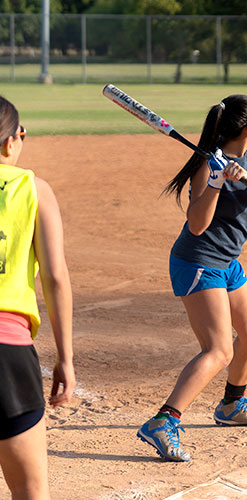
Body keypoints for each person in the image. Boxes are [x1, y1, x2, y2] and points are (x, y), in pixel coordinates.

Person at [137, 94, 247, 462]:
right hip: (198, 261)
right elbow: (197, 225)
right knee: (219, 350)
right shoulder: (208, 164)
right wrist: (217, 182)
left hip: (226, 262)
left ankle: (232, 405)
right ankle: (163, 421)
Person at [0, 95, 76, 499]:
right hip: (8, 354)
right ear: (11, 142)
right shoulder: (33, 189)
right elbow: (56, 278)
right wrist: (64, 358)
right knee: (30, 491)